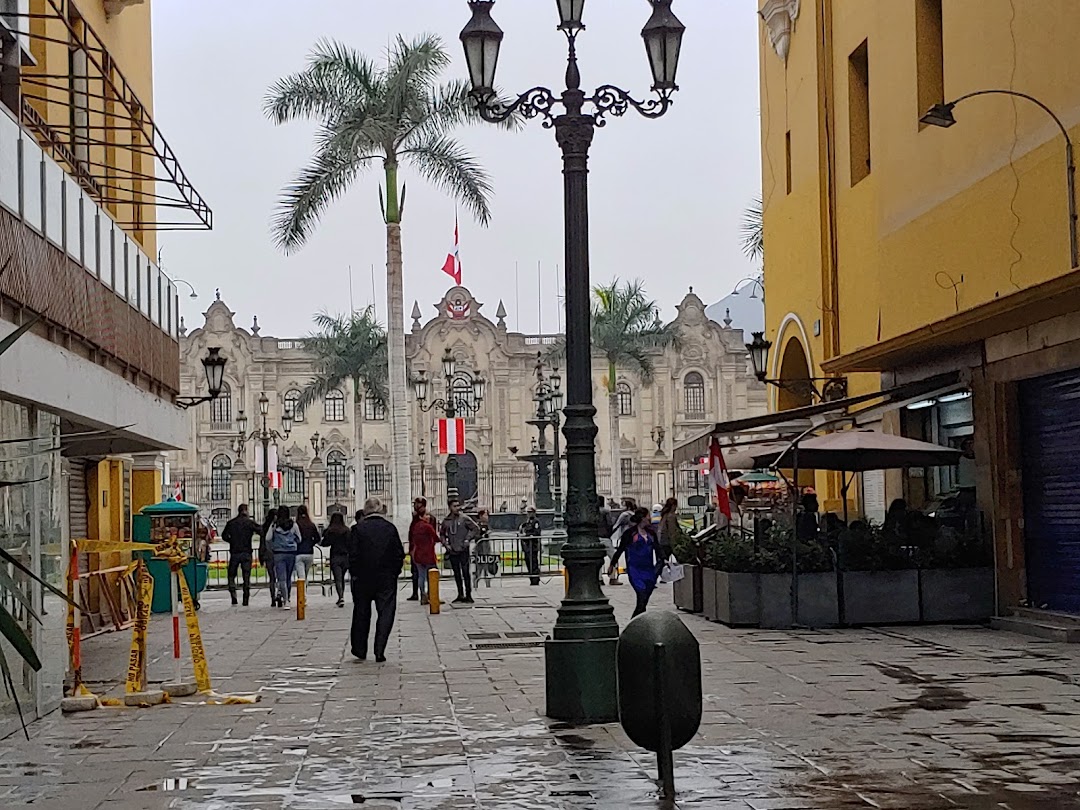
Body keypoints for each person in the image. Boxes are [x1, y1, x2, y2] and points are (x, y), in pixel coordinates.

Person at [349, 498, 405, 662]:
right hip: (386, 578)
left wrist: (355, 574)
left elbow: (352, 555)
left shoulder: (358, 529)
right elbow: (398, 554)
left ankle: (360, 649)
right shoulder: (390, 528)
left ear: (365, 511)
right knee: (386, 612)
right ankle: (379, 649)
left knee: (361, 612)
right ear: (380, 510)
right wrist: (395, 572)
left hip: (363, 578)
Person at [609, 507, 664, 618]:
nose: (650, 518)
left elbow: (658, 548)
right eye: (648, 516)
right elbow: (621, 549)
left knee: (645, 598)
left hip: (649, 569)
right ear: (643, 518)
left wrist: (663, 559)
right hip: (635, 569)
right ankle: (635, 621)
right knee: (641, 594)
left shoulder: (651, 533)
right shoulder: (630, 533)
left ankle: (637, 621)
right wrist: (612, 564)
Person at [440, 499, 478, 603]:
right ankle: (460, 594)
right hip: (453, 550)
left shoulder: (464, 518)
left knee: (466, 572)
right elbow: (442, 534)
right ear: (450, 507)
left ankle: (468, 594)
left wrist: (467, 539)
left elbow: (475, 528)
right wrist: (446, 544)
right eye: (454, 506)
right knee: (457, 573)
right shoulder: (446, 521)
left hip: (463, 549)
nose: (457, 508)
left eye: (458, 506)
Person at [222, 504, 258, 606]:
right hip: (246, 552)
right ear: (246, 511)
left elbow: (224, 536)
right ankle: (245, 599)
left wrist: (232, 541)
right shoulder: (249, 523)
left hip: (235, 552)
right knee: (246, 577)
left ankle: (233, 596)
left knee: (231, 575)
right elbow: (260, 531)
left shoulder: (231, 523)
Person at [270, 505, 301, 608]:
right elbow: (299, 539)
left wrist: (273, 545)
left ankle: (286, 600)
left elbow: (267, 538)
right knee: (288, 577)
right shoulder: (293, 525)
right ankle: (288, 596)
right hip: (291, 552)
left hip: (278, 553)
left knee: (281, 578)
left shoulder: (275, 525)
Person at [408, 498, 437, 601]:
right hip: (425, 551)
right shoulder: (420, 521)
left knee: (421, 574)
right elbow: (435, 536)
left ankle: (423, 594)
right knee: (423, 573)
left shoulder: (419, 521)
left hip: (418, 551)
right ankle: (425, 593)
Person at [320, 512, 350, 607]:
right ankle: (341, 596)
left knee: (338, 578)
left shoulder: (330, 531)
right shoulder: (346, 530)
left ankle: (340, 597)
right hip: (345, 556)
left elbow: (325, 543)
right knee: (342, 577)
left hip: (335, 556)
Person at [606, 497, 638, 585]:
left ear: (627, 507)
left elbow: (616, 525)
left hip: (626, 537)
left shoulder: (625, 515)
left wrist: (610, 534)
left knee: (623, 556)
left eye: (623, 505)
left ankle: (620, 575)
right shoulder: (634, 514)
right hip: (635, 537)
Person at [294, 505, 321, 586]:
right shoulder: (311, 525)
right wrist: (311, 543)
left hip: (299, 552)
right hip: (309, 553)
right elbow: (317, 538)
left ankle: (303, 595)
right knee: (305, 575)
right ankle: (304, 592)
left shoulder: (296, 525)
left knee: (301, 576)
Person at [519, 506, 542, 586]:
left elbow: (537, 532)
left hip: (533, 546)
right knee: (528, 562)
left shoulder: (536, 522)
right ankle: (531, 578)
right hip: (527, 546)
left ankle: (535, 579)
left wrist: (527, 535)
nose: (528, 514)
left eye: (530, 512)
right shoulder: (527, 522)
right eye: (528, 512)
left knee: (533, 563)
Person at [259, 508, 278, 606]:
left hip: (267, 554)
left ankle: (273, 597)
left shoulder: (264, 527)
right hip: (276, 553)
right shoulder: (278, 526)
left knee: (272, 578)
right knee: (279, 576)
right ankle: (279, 595)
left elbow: (261, 543)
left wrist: (261, 556)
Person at [472, 508, 495, 589]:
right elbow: (476, 536)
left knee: (487, 570)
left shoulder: (487, 525)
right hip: (480, 551)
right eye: (485, 515)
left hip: (487, 550)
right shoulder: (477, 525)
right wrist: (482, 535)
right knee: (479, 570)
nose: (487, 517)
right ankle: (475, 585)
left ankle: (488, 586)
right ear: (481, 516)